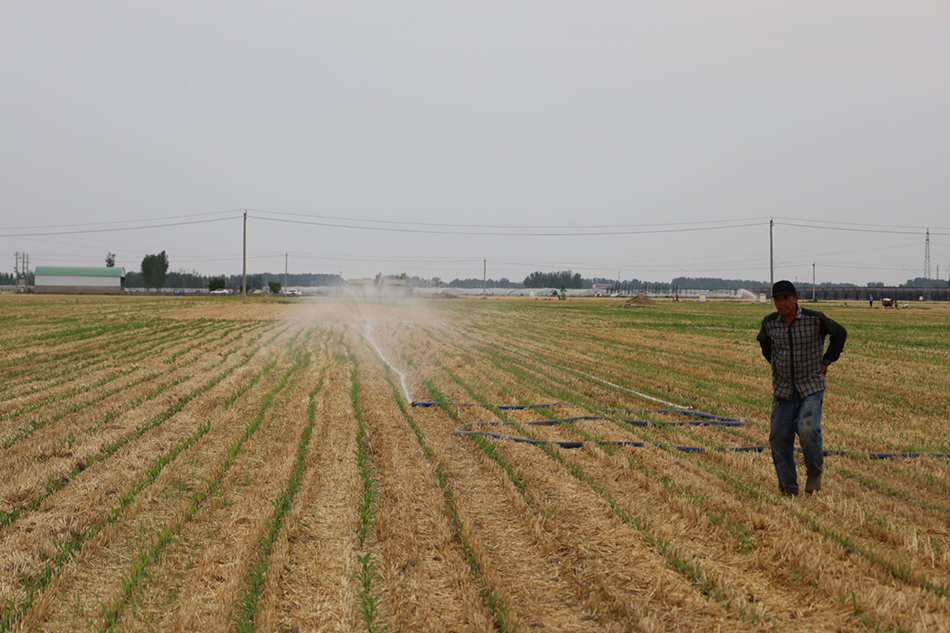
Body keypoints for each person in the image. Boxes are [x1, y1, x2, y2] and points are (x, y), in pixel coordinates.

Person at [757, 280, 847, 496]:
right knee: (779, 437)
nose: (781, 303)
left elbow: (840, 334)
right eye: (777, 299)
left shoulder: (815, 319)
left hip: (810, 386)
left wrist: (827, 361)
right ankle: (788, 487)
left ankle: (814, 472)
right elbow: (764, 344)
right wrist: (776, 364)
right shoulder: (770, 323)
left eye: (786, 298)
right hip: (783, 389)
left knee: (807, 429)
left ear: (796, 298)